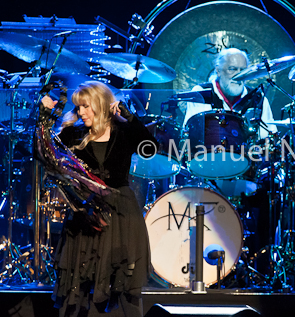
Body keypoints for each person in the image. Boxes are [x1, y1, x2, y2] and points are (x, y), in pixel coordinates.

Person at [41, 81, 157, 317]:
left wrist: (131, 120)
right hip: (87, 213)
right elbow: (46, 156)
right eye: (78, 108)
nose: (81, 112)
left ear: (100, 104)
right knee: (83, 279)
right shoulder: (73, 133)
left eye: (85, 106)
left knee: (123, 281)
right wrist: (45, 118)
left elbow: (150, 149)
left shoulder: (123, 132)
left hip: (122, 215)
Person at [183, 47, 277, 139]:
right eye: (232, 69)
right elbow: (192, 135)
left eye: (243, 70)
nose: (239, 75)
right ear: (218, 71)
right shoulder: (201, 93)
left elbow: (269, 138)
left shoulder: (259, 99)